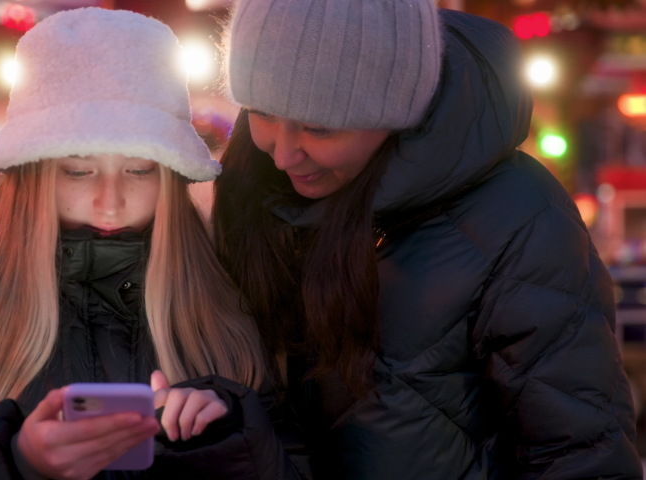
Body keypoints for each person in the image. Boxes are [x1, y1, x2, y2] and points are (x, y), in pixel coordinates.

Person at [0, 8, 301, 480]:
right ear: (33, 175)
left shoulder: (228, 304)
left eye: (139, 170)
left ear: (171, 179)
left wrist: (230, 432)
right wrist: (15, 462)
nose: (110, 203)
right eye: (78, 171)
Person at [213, 0, 641, 478]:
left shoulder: (520, 218)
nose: (284, 154)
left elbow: (581, 451)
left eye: (320, 127)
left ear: (399, 110)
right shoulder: (247, 187)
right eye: (262, 113)